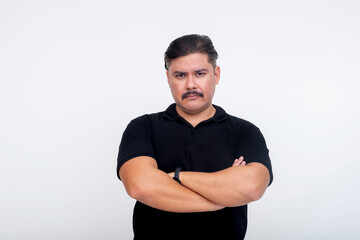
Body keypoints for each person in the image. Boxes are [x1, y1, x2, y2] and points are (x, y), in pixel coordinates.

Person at [116, 34, 273, 240]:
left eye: (200, 73)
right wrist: (221, 196)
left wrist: (176, 177)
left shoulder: (244, 131)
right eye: (180, 75)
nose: (190, 84)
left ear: (216, 75)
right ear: (168, 78)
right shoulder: (143, 127)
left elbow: (251, 188)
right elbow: (140, 186)